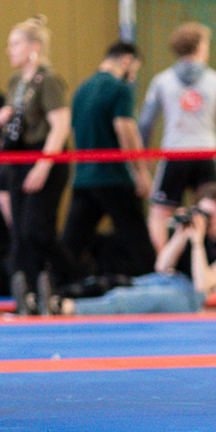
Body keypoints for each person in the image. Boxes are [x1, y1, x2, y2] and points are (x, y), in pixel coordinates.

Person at [43, 183, 216, 315]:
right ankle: (54, 296)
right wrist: (182, 234)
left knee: (128, 299)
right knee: (117, 283)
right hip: (170, 281)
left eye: (211, 215)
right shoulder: (194, 234)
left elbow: (202, 286)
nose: (206, 220)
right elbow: (162, 266)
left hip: (193, 298)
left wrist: (197, 243)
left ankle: (66, 308)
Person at [139, 22, 216, 252]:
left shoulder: (161, 81)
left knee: (160, 212)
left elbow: (146, 122)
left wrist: (142, 155)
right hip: (206, 154)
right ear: (200, 47)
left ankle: (163, 265)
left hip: (174, 153)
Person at [60, 40, 156, 282]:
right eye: (134, 69)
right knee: (137, 238)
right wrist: (142, 172)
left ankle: (55, 283)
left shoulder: (81, 89)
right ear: (126, 60)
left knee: (72, 242)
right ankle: (155, 287)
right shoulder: (119, 88)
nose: (133, 76)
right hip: (113, 176)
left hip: (83, 178)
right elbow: (126, 130)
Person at [0, 16, 74, 315]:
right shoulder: (16, 82)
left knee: (36, 231)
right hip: (19, 160)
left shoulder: (49, 80)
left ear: (34, 47)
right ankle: (27, 290)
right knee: (19, 233)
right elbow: (18, 118)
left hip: (46, 157)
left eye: (15, 43)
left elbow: (60, 126)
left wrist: (44, 165)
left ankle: (70, 278)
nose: (9, 50)